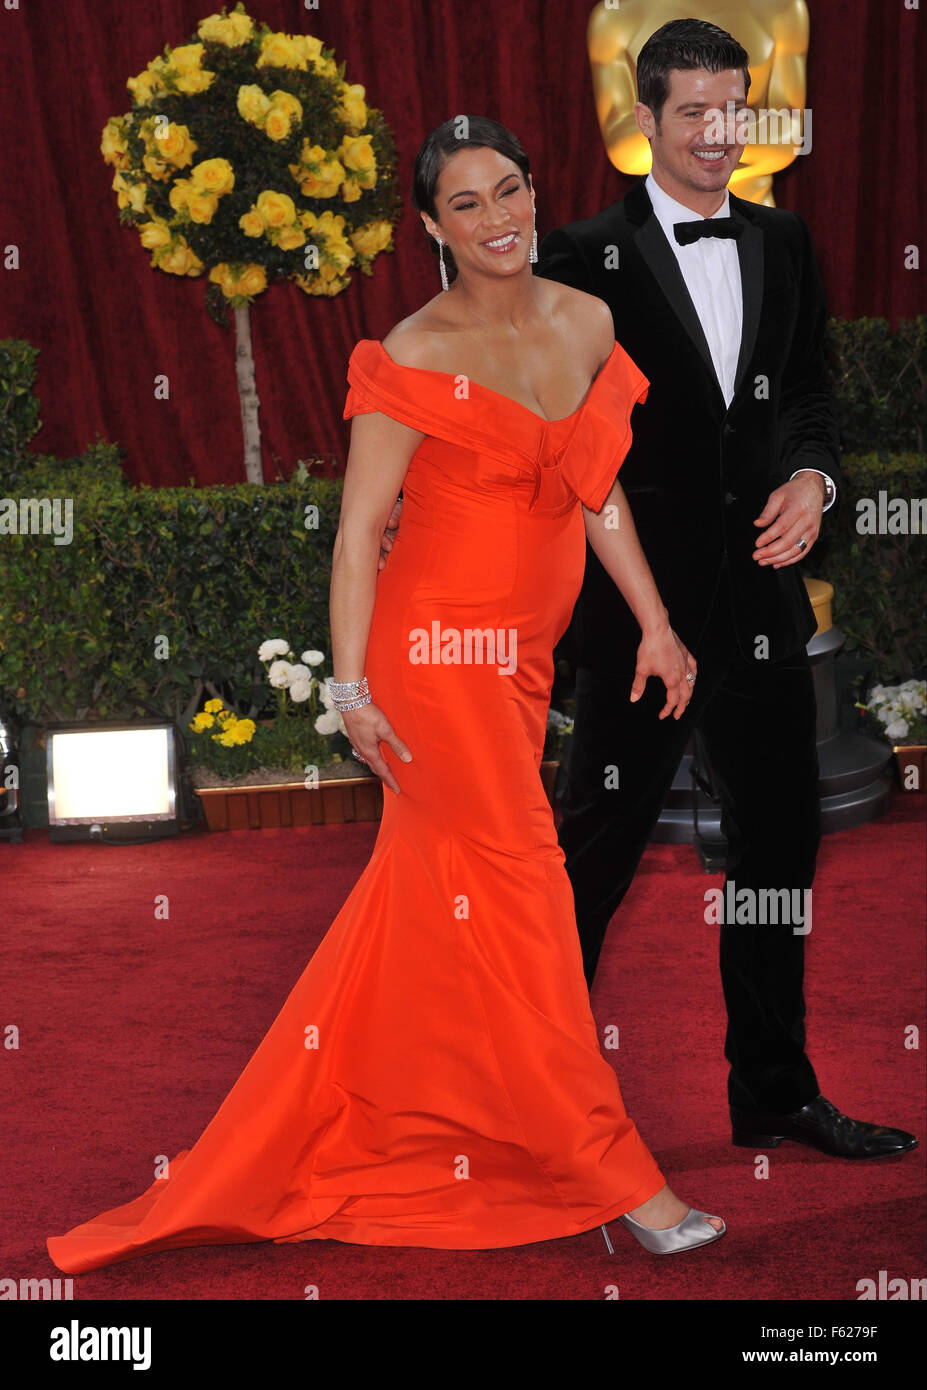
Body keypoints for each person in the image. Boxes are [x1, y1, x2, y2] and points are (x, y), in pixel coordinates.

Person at [46, 117, 726, 1275]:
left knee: (432, 909)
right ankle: (620, 1174)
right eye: (467, 205)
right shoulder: (412, 350)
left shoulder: (586, 319)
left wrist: (656, 622)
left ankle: (370, 1127)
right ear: (430, 228)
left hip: (520, 667)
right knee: (525, 892)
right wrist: (351, 689)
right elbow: (359, 538)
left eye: (509, 189)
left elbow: (597, 489)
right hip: (433, 664)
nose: (499, 218)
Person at [533, 18, 917, 1160]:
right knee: (591, 858)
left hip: (758, 601)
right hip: (639, 611)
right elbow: (553, 442)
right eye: (692, 111)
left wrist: (814, 479)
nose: (717, 133)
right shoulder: (576, 256)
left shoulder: (786, 240)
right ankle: (533, 1100)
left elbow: (810, 399)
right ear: (642, 121)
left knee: (778, 852)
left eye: (732, 110)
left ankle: (774, 1090)